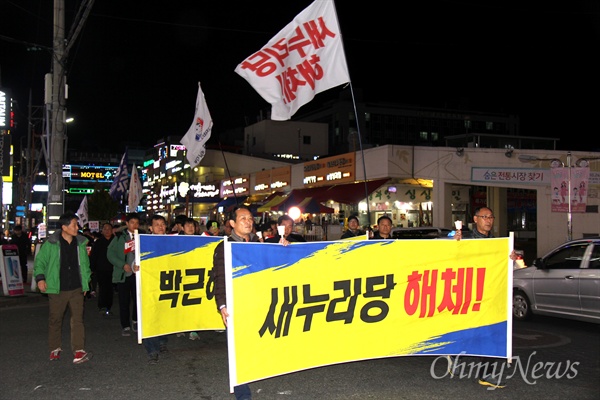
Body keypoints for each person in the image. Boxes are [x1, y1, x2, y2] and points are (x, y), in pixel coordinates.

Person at [213, 206, 289, 399]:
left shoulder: (260, 242)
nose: (248, 221)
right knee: (239, 346)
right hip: (237, 303)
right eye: (242, 218)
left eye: (250, 218)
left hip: (259, 301)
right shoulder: (225, 247)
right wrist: (222, 306)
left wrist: (283, 248)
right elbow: (219, 278)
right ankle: (242, 389)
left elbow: (275, 266)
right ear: (232, 224)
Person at [451, 206, 517, 389]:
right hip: (468, 295)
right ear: (475, 219)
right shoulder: (465, 239)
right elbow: (448, 254)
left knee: (492, 332)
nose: (489, 220)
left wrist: (512, 259)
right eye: (484, 216)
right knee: (469, 331)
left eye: (491, 217)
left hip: (490, 297)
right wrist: (453, 242)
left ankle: (486, 374)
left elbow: (514, 266)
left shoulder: (498, 244)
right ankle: (456, 355)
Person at [33, 212, 92, 364]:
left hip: (76, 288)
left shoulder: (81, 243)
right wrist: (40, 278)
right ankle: (55, 347)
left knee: (77, 319)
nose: (77, 227)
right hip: (57, 288)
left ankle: (79, 350)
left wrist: (86, 283)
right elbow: (40, 262)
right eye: (74, 225)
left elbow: (85, 266)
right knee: (55, 319)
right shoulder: (51, 243)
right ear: (64, 227)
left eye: (77, 225)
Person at [136, 214, 171, 364]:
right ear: (150, 228)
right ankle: (152, 350)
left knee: (164, 315)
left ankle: (162, 340)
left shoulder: (173, 242)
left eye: (162, 224)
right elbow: (132, 260)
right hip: (149, 285)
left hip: (167, 284)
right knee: (150, 316)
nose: (160, 227)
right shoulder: (142, 242)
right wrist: (134, 267)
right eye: (157, 224)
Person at [107, 213, 140, 337]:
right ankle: (125, 325)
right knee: (124, 301)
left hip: (138, 274)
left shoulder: (142, 235)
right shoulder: (120, 237)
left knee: (138, 300)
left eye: (137, 223)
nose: (135, 225)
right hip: (124, 274)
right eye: (132, 222)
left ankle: (135, 320)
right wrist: (122, 264)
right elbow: (110, 254)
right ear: (127, 224)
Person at [90, 222, 115, 316]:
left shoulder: (115, 241)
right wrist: (92, 268)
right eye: (105, 229)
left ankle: (109, 307)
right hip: (101, 269)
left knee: (110, 289)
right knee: (103, 288)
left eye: (109, 229)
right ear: (102, 231)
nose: (107, 231)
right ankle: (102, 306)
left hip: (113, 269)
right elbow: (93, 256)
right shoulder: (98, 242)